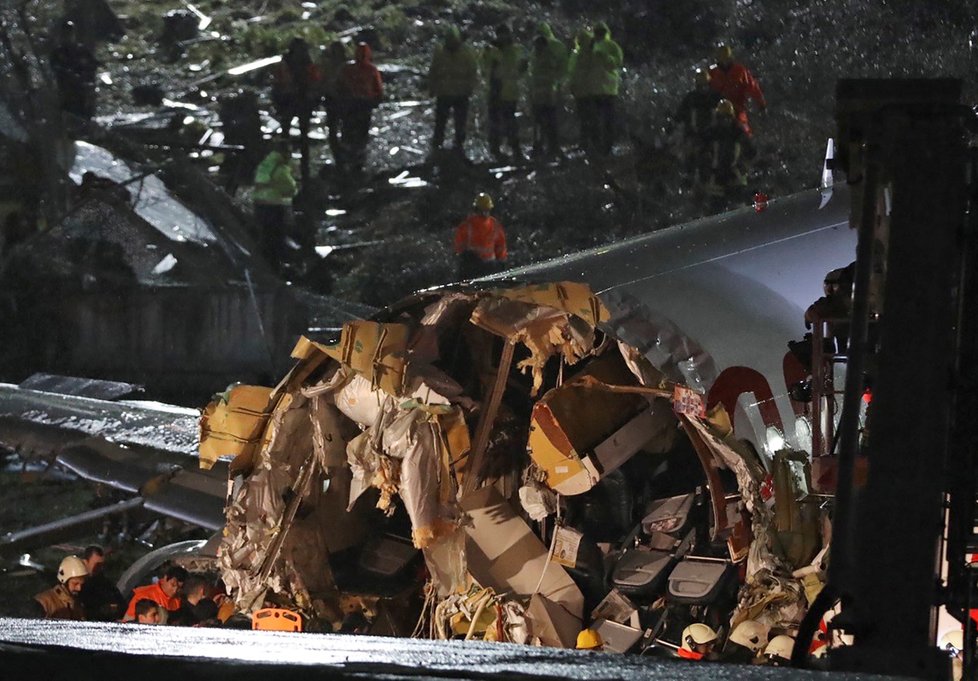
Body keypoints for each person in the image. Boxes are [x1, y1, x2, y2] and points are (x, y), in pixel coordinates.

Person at [271, 37, 322, 184]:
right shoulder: (304, 63)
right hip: (296, 100)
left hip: (294, 100)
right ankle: (300, 168)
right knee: (296, 134)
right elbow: (315, 80)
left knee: (291, 133)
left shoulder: (289, 62)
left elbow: (277, 81)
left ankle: (290, 165)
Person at [427, 26, 479, 155]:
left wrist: (470, 88)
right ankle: (439, 142)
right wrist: (432, 87)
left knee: (459, 120)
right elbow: (433, 71)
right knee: (441, 120)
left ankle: (458, 142)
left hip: (460, 93)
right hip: (445, 92)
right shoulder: (441, 52)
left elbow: (473, 72)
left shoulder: (466, 53)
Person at [336, 42, 384, 173]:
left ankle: (349, 157)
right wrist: (377, 98)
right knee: (360, 131)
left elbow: (339, 86)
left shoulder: (347, 68)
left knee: (349, 130)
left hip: (352, 104)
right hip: (363, 104)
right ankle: (357, 159)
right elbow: (378, 87)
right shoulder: (371, 69)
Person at [483, 24, 527, 160]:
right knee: (495, 121)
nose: (502, 37)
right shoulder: (491, 50)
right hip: (495, 90)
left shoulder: (516, 49)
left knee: (510, 122)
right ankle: (496, 150)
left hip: (509, 91)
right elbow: (483, 67)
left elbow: (523, 68)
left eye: (505, 34)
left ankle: (515, 149)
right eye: (500, 34)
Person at [253, 144, 298, 265]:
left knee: (265, 235)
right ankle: (277, 263)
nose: (290, 155)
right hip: (274, 206)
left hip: (259, 205)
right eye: (289, 152)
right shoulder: (280, 168)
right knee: (277, 236)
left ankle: (265, 261)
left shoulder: (265, 165)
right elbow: (290, 188)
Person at [706, 99, 755, 208]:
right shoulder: (712, 133)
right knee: (716, 212)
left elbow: (751, 151)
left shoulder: (738, 132)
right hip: (717, 175)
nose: (724, 121)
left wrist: (743, 165)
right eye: (721, 118)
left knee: (739, 209)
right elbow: (704, 152)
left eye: (726, 118)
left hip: (735, 174)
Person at [709, 44, 766, 136]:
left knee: (744, 133)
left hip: (737, 110)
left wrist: (761, 103)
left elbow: (752, 86)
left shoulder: (740, 71)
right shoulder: (712, 72)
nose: (724, 61)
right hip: (718, 111)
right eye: (721, 58)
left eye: (726, 58)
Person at [674, 69, 721, 184]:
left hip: (712, 136)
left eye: (705, 86)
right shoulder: (691, 98)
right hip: (693, 135)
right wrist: (673, 124)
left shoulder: (716, 98)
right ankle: (689, 180)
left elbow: (725, 116)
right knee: (690, 157)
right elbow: (680, 114)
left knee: (713, 159)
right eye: (701, 86)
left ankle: (714, 180)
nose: (703, 89)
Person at [529, 23, 568, 159]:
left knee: (547, 122)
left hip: (547, 94)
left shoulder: (546, 55)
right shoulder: (539, 54)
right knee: (543, 122)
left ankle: (550, 147)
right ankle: (544, 147)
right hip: (543, 94)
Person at [50, 19, 100, 121]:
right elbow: (54, 66)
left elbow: (92, 63)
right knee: (69, 111)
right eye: (66, 33)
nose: (68, 36)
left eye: (70, 33)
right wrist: (66, 73)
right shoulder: (59, 52)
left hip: (82, 87)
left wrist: (92, 69)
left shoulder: (81, 50)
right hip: (66, 87)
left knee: (85, 109)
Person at [453, 192, 507, 280]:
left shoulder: (468, 225)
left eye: (486, 210)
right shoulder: (469, 225)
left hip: (484, 268)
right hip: (478, 268)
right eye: (483, 210)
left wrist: (501, 262)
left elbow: (501, 246)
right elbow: (459, 247)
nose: (485, 213)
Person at [590, 21, 623, 156]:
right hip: (596, 89)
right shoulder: (591, 46)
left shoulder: (612, 46)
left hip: (608, 89)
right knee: (597, 120)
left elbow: (617, 63)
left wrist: (605, 57)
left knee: (608, 120)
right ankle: (598, 147)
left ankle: (608, 147)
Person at [567, 28, 600, 154]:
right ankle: (587, 143)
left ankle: (590, 143)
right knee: (586, 118)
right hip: (585, 91)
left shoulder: (587, 54)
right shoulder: (581, 54)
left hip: (587, 92)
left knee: (588, 118)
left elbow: (575, 73)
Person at [319, 40, 349, 164]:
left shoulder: (329, 66)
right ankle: (340, 152)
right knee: (338, 126)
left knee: (335, 127)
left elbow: (322, 81)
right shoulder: (345, 66)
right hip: (338, 99)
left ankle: (339, 152)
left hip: (336, 98)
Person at [78, 544, 126, 622]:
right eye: (97, 564)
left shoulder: (106, 584)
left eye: (102, 565)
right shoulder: (77, 583)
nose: (100, 568)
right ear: (85, 562)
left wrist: (114, 608)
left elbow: (122, 605)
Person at [34, 555, 88, 620]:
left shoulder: (77, 605)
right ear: (64, 581)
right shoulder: (44, 602)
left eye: (81, 584)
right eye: (75, 583)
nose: (79, 588)